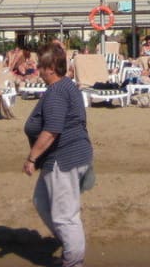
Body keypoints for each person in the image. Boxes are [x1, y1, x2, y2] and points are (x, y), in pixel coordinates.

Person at [23, 44, 94, 267]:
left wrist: (32, 158)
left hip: (65, 160)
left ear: (51, 68)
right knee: (42, 201)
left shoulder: (57, 91)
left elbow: (52, 130)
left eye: (40, 66)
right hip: (68, 157)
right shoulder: (66, 86)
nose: (37, 69)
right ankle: (70, 249)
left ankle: (73, 261)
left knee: (65, 216)